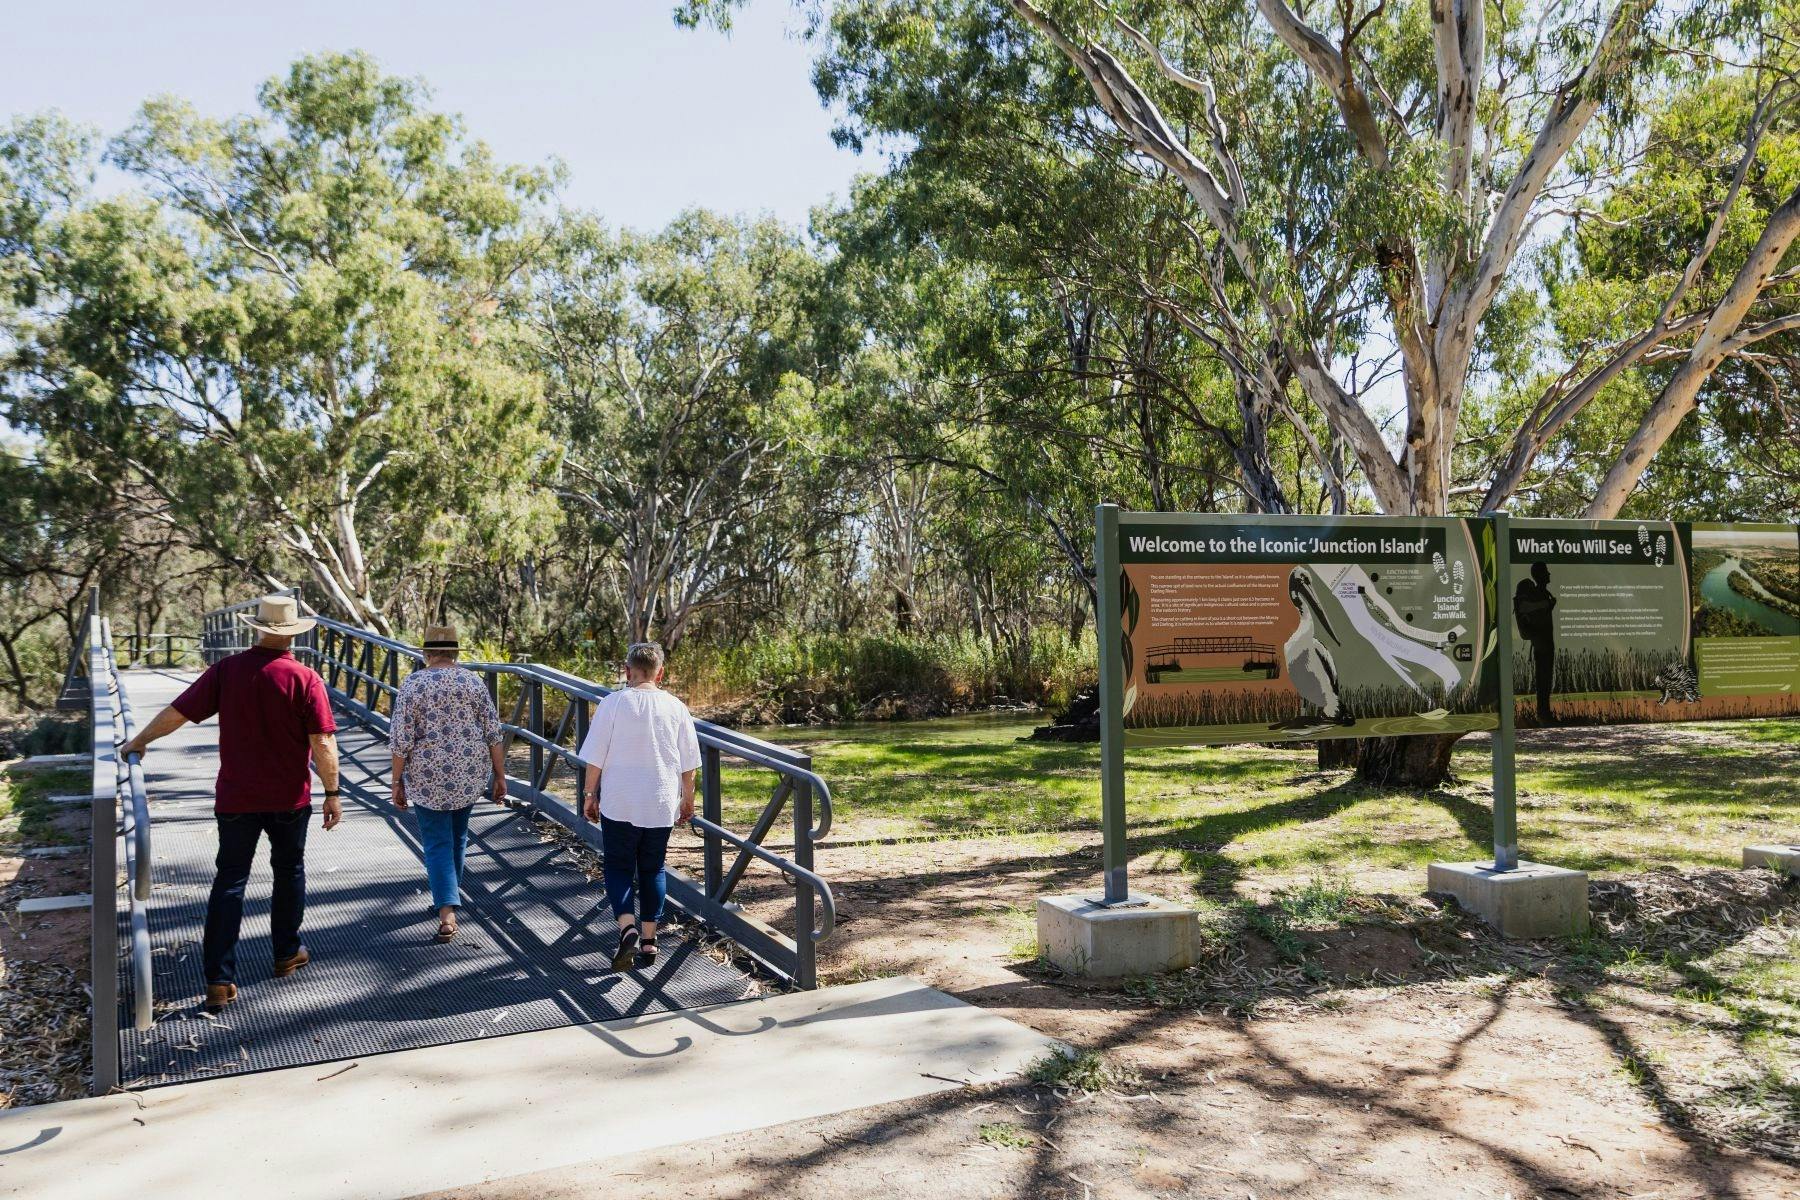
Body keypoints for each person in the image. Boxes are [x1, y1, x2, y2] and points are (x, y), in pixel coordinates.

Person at [122, 594, 340, 1013]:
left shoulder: (227, 671)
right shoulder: (305, 678)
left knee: (230, 882)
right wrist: (332, 792)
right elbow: (323, 741)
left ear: (256, 628)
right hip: (288, 799)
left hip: (235, 797)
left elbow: (179, 711)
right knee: (289, 870)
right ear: (292, 635)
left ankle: (219, 981)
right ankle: (285, 954)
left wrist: (139, 741)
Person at [577, 642, 700, 971]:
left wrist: (590, 794)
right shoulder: (675, 707)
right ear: (660, 672)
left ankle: (627, 927)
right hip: (660, 803)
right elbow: (689, 763)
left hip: (620, 801)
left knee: (618, 867)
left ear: (627, 670)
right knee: (652, 868)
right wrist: (687, 798)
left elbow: (595, 756)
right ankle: (649, 940)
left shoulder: (613, 703)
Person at [389, 625, 507, 942]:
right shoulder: (473, 682)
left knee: (437, 842)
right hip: (469, 774)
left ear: (426, 653)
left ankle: (446, 911)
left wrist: (395, 781)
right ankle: (449, 897)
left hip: (427, 778)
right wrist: (500, 774)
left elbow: (401, 741)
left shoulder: (413, 684)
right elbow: (494, 734)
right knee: (457, 836)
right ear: (455, 652)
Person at [1514, 561, 1558, 726]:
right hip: (1541, 643)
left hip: (1545, 642)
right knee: (1543, 679)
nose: (1548, 574)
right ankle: (1543, 715)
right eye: (1546, 572)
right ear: (1539, 574)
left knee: (1545, 679)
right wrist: (1547, 604)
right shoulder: (1536, 593)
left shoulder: (1542, 592)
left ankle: (1544, 714)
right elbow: (1524, 607)